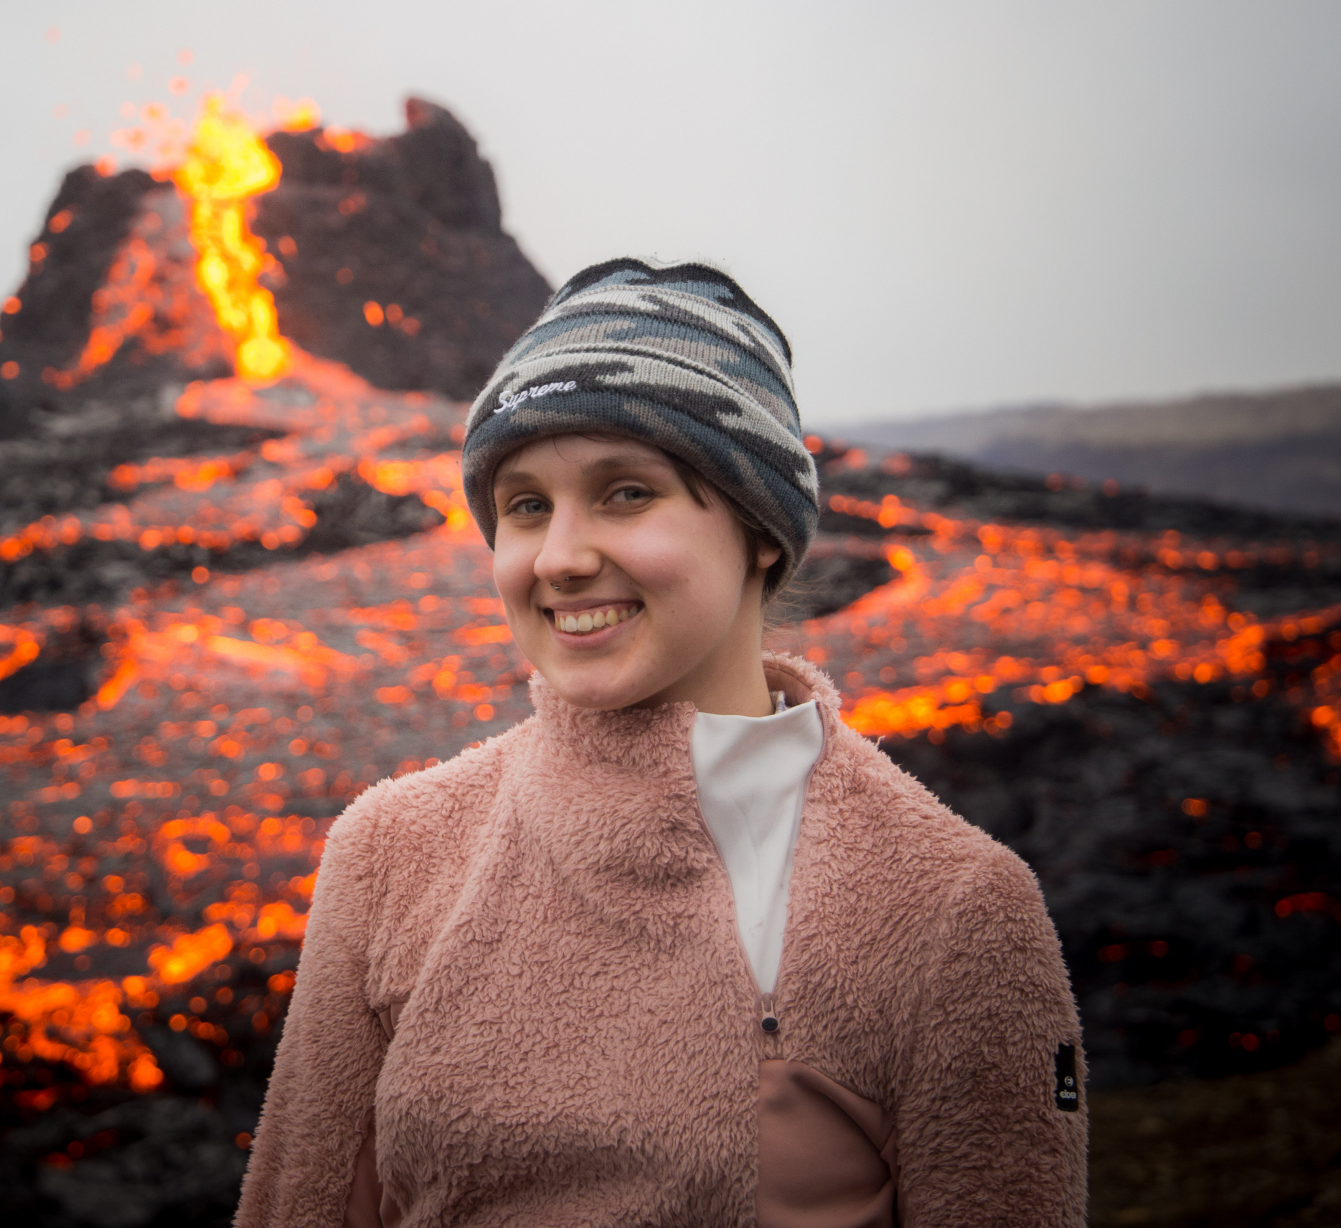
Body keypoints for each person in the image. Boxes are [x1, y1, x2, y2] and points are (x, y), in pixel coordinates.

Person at [234, 259, 1087, 1226]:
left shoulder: (949, 905)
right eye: (525, 506)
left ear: (761, 531)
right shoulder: (390, 853)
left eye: (627, 493)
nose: (561, 558)